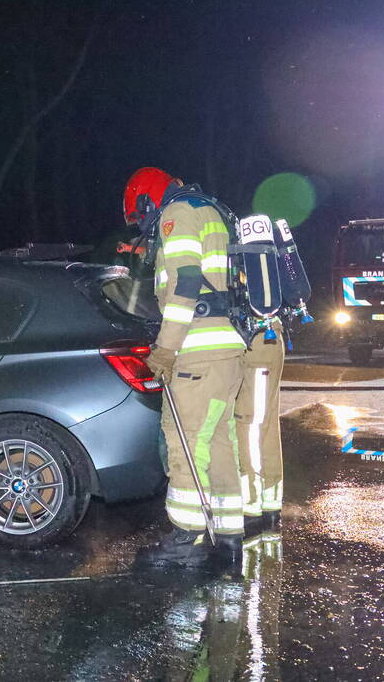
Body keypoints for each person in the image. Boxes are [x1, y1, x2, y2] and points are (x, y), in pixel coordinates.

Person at [125, 167, 247, 568]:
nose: (145, 225)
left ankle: (185, 538)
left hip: (197, 349)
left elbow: (185, 285)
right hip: (228, 348)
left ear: (148, 199)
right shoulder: (208, 209)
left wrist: (165, 349)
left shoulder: (177, 215)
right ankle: (229, 537)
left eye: (141, 216)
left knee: (186, 442)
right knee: (219, 443)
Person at [236, 319, 284, 534]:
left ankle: (252, 506)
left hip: (256, 343)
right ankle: (269, 504)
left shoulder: (251, 285)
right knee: (263, 428)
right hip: (263, 339)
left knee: (251, 427)